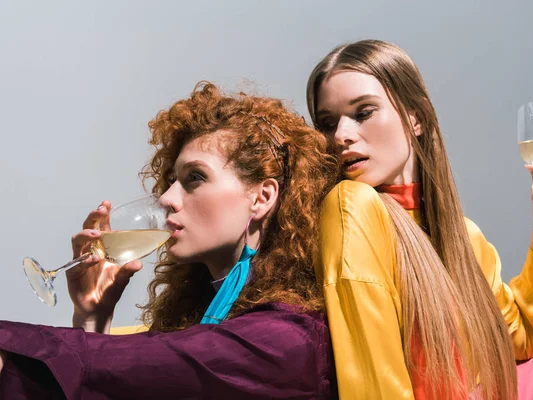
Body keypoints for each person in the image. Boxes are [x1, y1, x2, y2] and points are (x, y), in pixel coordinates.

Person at [0, 82, 339, 399]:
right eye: (172, 181)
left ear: (262, 197)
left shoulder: (284, 339)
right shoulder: (200, 317)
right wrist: (93, 317)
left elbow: (131, 367)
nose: (167, 198)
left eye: (195, 177)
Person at [306, 39, 533, 399]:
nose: (341, 135)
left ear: (415, 116)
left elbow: (520, 337)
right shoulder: (352, 206)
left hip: (497, 385)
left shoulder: (462, 234)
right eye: (326, 123)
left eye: (363, 112)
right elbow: (371, 375)